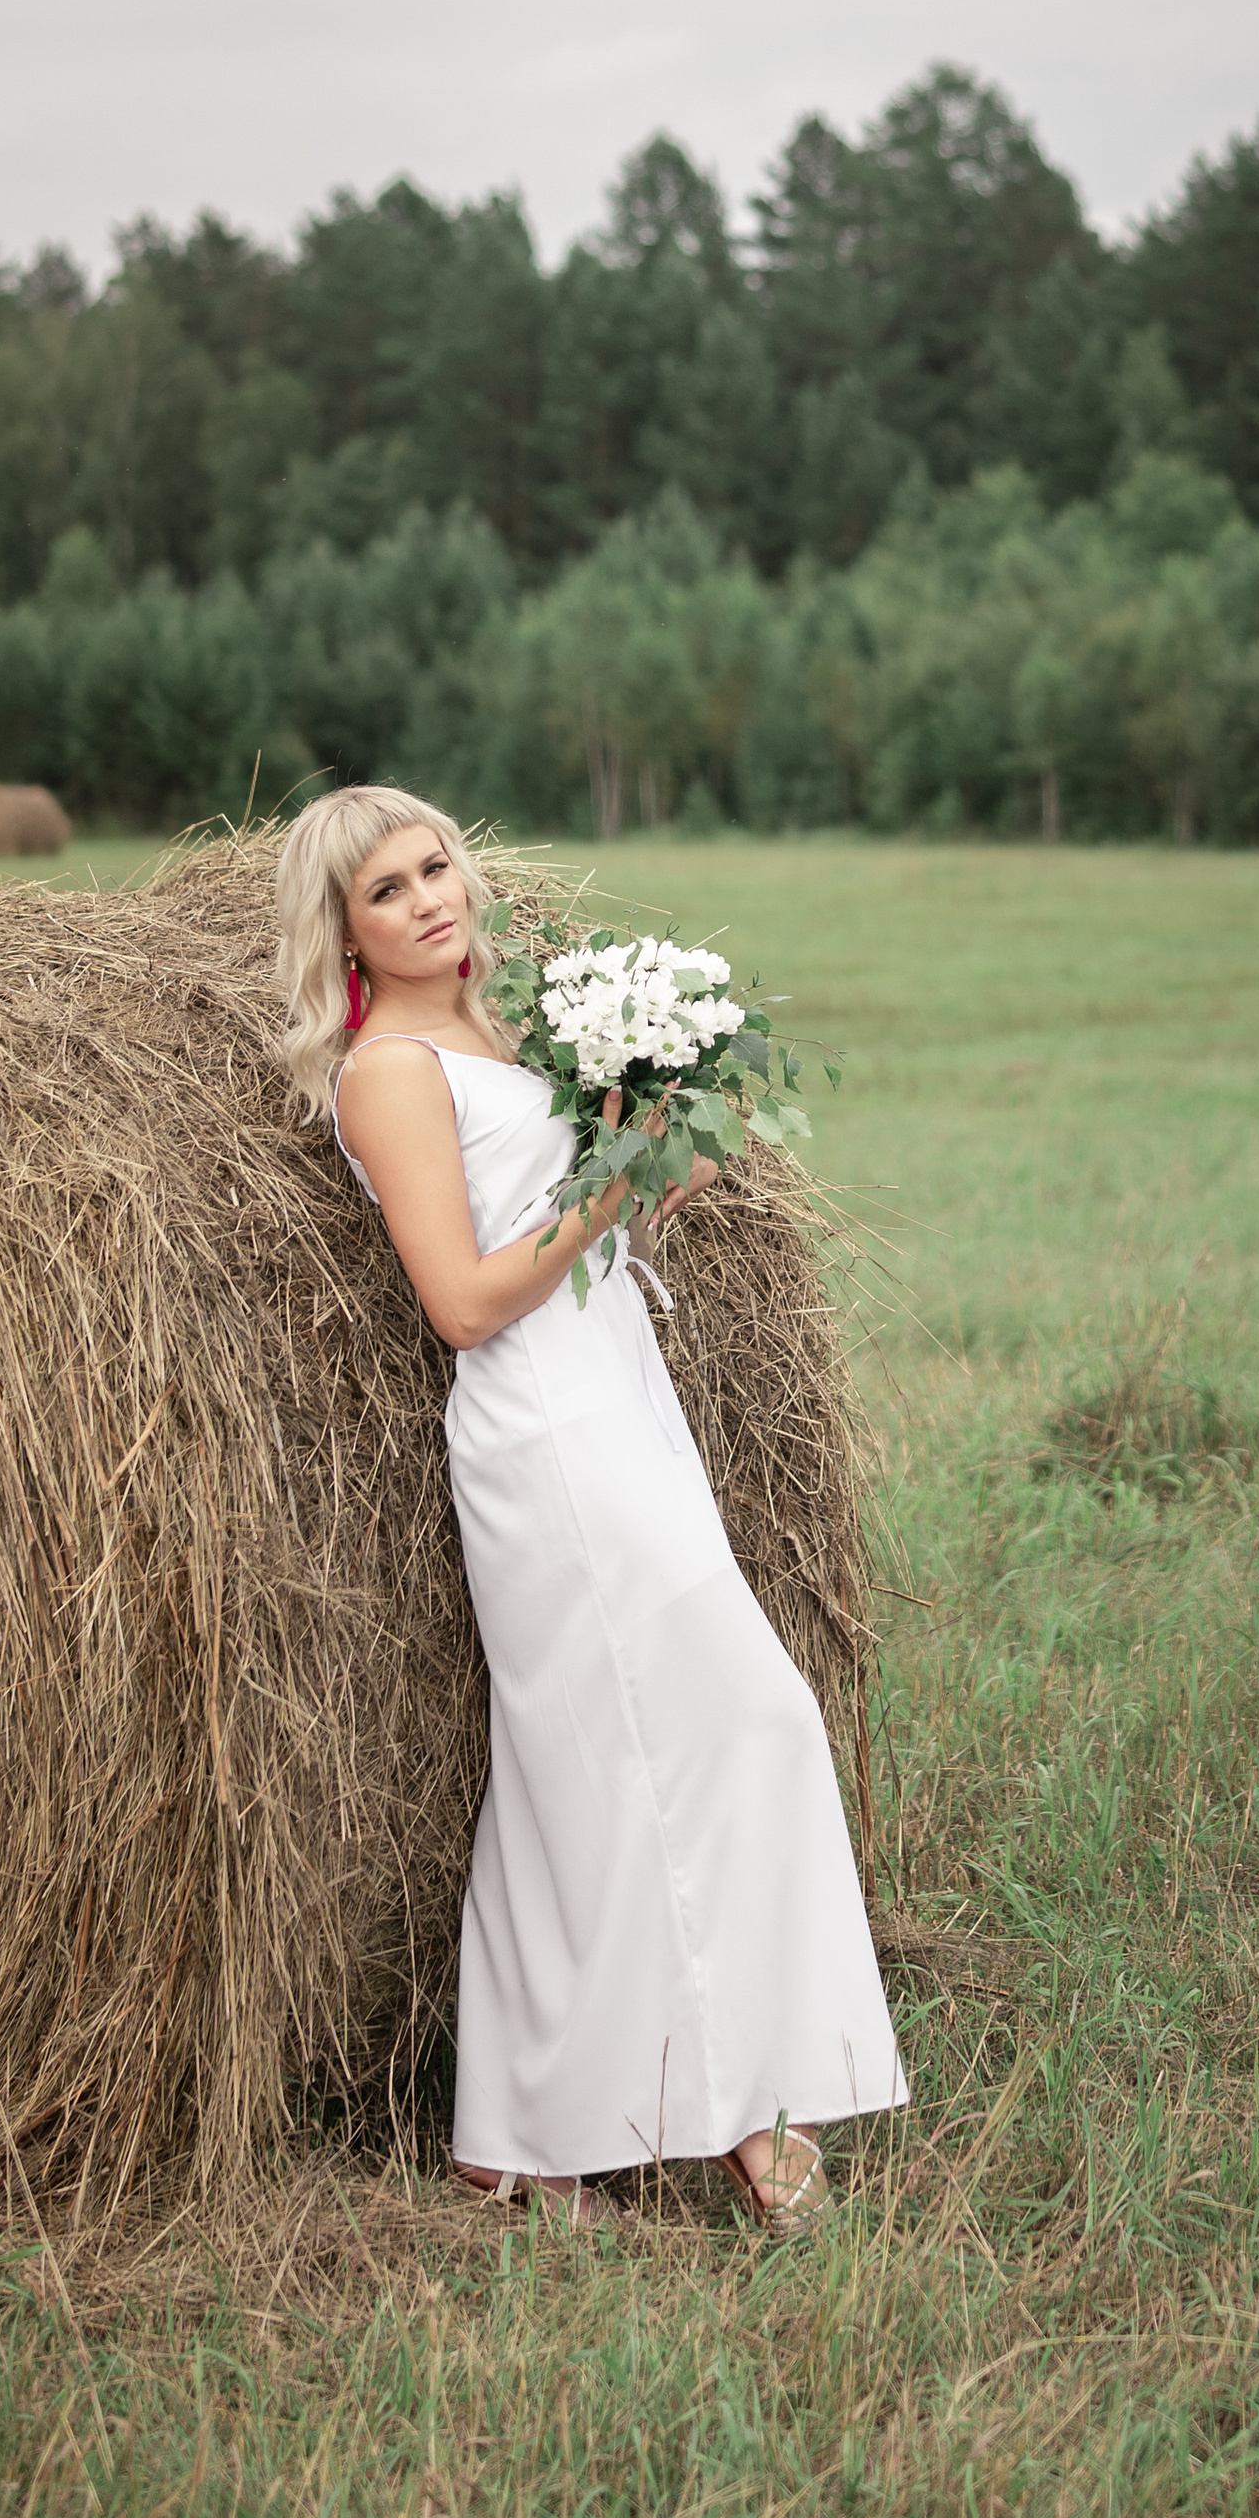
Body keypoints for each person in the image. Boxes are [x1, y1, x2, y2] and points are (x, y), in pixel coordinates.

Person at [274, 783, 905, 2234]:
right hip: (546, 1433)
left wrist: (649, 1156)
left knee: (582, 1770)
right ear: (348, 931)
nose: (433, 897)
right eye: (389, 890)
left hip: (620, 1397)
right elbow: (461, 1301)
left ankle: (516, 2135)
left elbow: (581, 1228)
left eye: (438, 865)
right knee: (737, 1721)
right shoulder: (387, 1070)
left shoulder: (504, 1029)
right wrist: (609, 1190)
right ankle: (747, 2119)